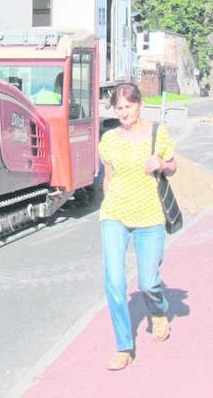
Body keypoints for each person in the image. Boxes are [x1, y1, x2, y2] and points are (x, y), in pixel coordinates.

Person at [98, 82, 177, 371]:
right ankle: (124, 346)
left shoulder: (158, 133)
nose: (123, 112)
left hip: (150, 214)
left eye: (128, 106)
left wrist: (160, 163)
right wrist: (109, 202)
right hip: (115, 213)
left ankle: (158, 310)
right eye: (119, 107)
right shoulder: (108, 139)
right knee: (114, 281)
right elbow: (109, 175)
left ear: (139, 105)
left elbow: (173, 166)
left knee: (147, 282)